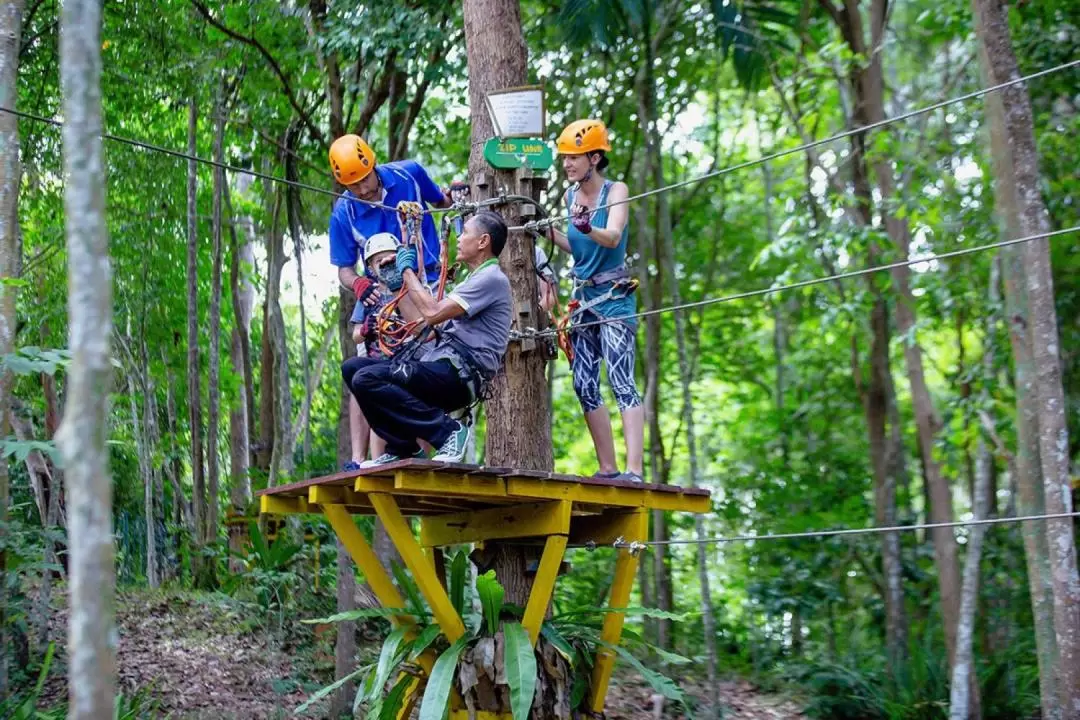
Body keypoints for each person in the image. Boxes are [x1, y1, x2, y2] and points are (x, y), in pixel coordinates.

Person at [341, 211, 512, 466]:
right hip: (442, 363)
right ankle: (402, 446)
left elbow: (432, 313)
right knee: (352, 368)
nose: (459, 237)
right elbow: (425, 330)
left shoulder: (491, 279)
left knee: (367, 378)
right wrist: (399, 283)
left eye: (464, 232)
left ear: (482, 242)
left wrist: (407, 269)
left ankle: (448, 432)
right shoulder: (473, 281)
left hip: (460, 374)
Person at [327, 134, 451, 470]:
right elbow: (343, 269)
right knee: (364, 366)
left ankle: (436, 449)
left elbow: (443, 202)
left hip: (424, 278)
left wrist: (457, 204)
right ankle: (359, 457)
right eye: (353, 186)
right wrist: (360, 284)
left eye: (365, 180)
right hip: (381, 290)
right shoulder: (344, 211)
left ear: (373, 165)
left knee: (425, 361)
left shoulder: (408, 175)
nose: (364, 191)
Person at [548, 119, 644, 483]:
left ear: (594, 157)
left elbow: (613, 235)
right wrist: (549, 232)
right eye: (565, 159)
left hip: (614, 299)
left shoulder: (616, 190)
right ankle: (608, 467)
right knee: (583, 382)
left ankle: (634, 469)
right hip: (584, 299)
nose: (567, 164)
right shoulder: (571, 196)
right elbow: (580, 248)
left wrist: (588, 226)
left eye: (574, 158)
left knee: (621, 378)